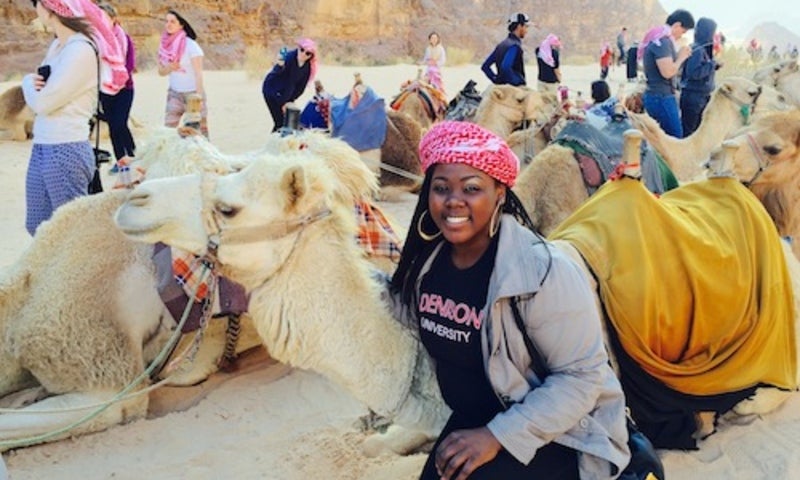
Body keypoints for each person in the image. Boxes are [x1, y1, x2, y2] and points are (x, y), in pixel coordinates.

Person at [388, 120, 630, 479]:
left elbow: (582, 378)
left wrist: (495, 436)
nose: (454, 201)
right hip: (476, 419)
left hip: (561, 432)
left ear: (499, 192)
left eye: (471, 188)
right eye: (441, 188)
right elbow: (394, 312)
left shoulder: (542, 271)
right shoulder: (427, 264)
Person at [21, 0, 128, 235]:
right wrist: (34, 84)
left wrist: (27, 83)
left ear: (50, 7)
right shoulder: (58, 46)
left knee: (71, 232)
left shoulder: (80, 49)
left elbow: (43, 102)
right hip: (43, 145)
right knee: (38, 226)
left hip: (66, 147)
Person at [639, 8, 694, 138]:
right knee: (675, 138)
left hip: (656, 95)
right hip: (661, 97)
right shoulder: (663, 42)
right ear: (677, 25)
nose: (682, 35)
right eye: (683, 31)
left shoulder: (658, 38)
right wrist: (681, 56)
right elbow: (667, 72)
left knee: (660, 140)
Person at [97, 2, 136, 174]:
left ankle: (134, 156)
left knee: (120, 123)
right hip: (105, 90)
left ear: (114, 19)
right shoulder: (97, 39)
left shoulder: (123, 38)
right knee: (114, 126)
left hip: (124, 88)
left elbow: (129, 64)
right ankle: (121, 160)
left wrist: (117, 80)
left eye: (104, 17)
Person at [158, 10, 208, 138]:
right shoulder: (164, 47)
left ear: (181, 25)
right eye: (167, 21)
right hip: (174, 93)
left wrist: (199, 97)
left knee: (198, 133)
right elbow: (161, 72)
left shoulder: (191, 46)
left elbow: (198, 74)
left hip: (192, 95)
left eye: (172, 21)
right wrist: (170, 67)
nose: (168, 24)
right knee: (168, 132)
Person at [262, 38, 317, 133]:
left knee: (289, 122)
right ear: (298, 48)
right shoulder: (289, 58)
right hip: (271, 90)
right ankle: (274, 145)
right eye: (302, 50)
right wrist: (279, 65)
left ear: (311, 56)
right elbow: (277, 73)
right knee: (280, 122)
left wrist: (289, 100)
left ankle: (280, 143)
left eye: (307, 53)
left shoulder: (307, 67)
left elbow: (300, 88)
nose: (303, 54)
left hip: (285, 94)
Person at [679, 17, 721, 137]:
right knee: (690, 133)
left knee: (696, 132)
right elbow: (694, 73)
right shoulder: (697, 49)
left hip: (699, 97)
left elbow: (702, 70)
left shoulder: (702, 49)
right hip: (694, 97)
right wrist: (712, 64)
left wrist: (714, 66)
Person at [480, 13, 530, 86]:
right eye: (526, 26)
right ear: (519, 26)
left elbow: (485, 66)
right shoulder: (515, 46)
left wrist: (496, 79)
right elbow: (505, 67)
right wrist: (518, 82)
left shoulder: (501, 45)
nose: (526, 30)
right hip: (513, 91)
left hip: (502, 90)